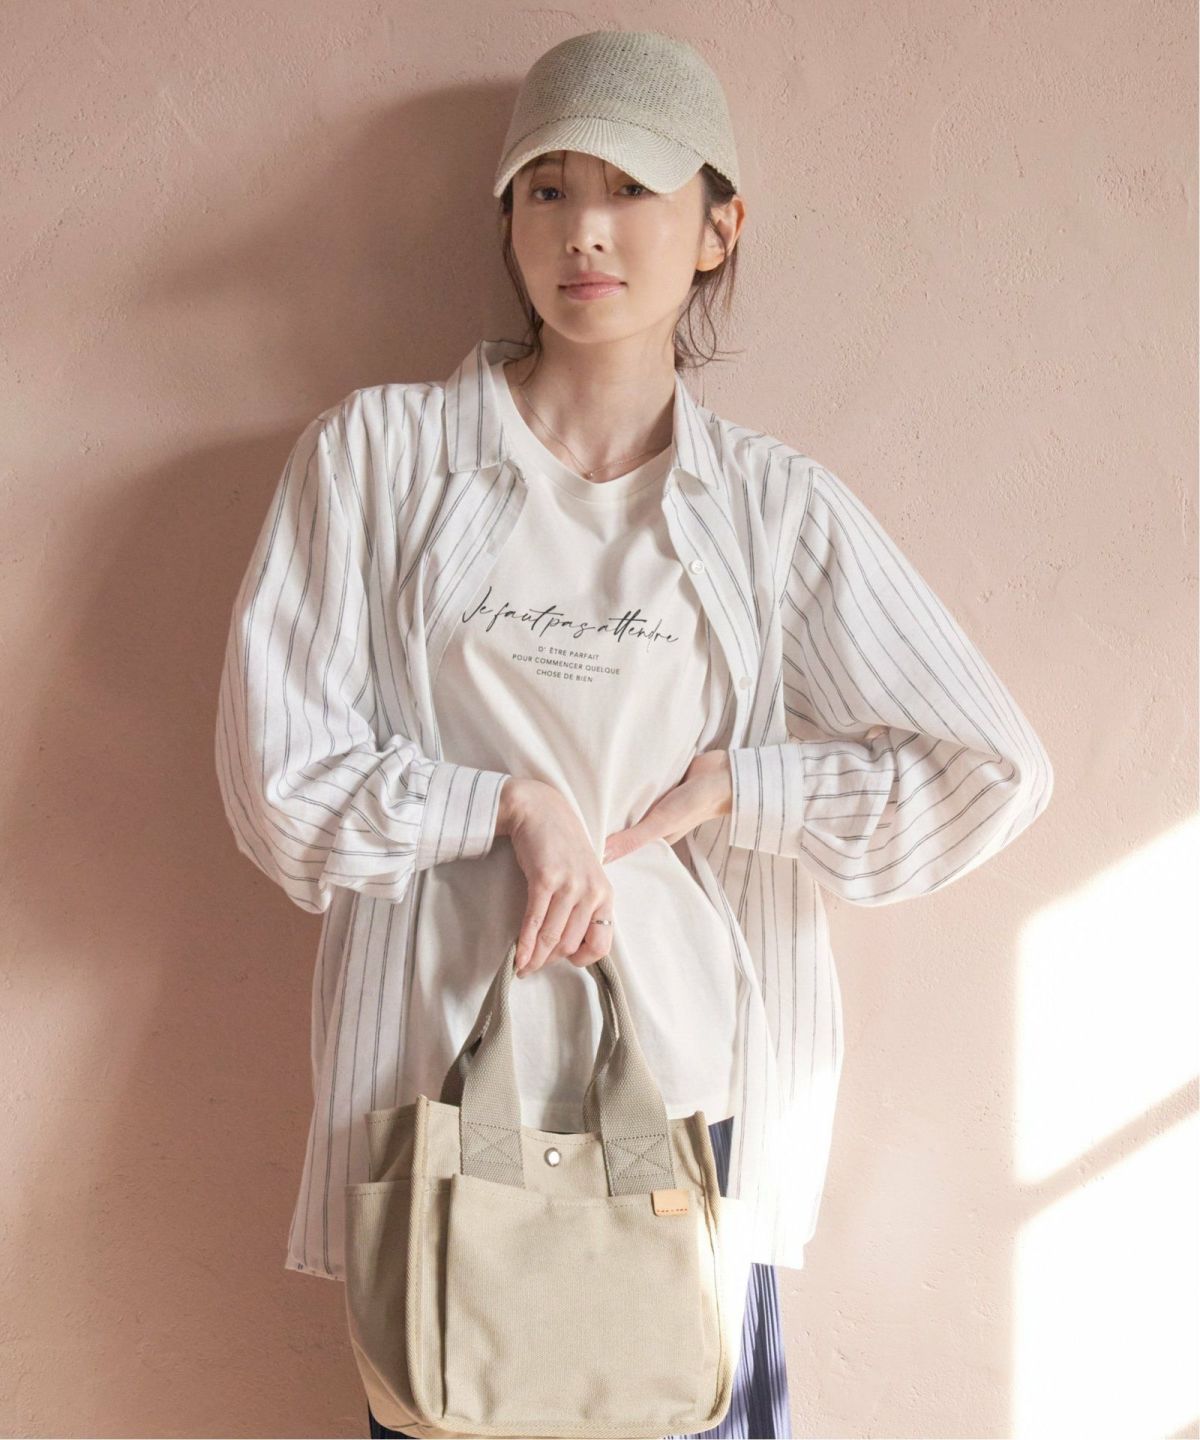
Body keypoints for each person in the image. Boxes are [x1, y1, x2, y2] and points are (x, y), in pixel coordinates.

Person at [214, 27, 1054, 1440]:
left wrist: (743, 786)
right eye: (547, 189)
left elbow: (989, 769)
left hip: (689, 1116)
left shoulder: (771, 512)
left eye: (631, 190)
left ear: (719, 227)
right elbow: (279, 781)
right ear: (507, 221)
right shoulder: (377, 460)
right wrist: (501, 806)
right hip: (439, 1109)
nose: (584, 231)